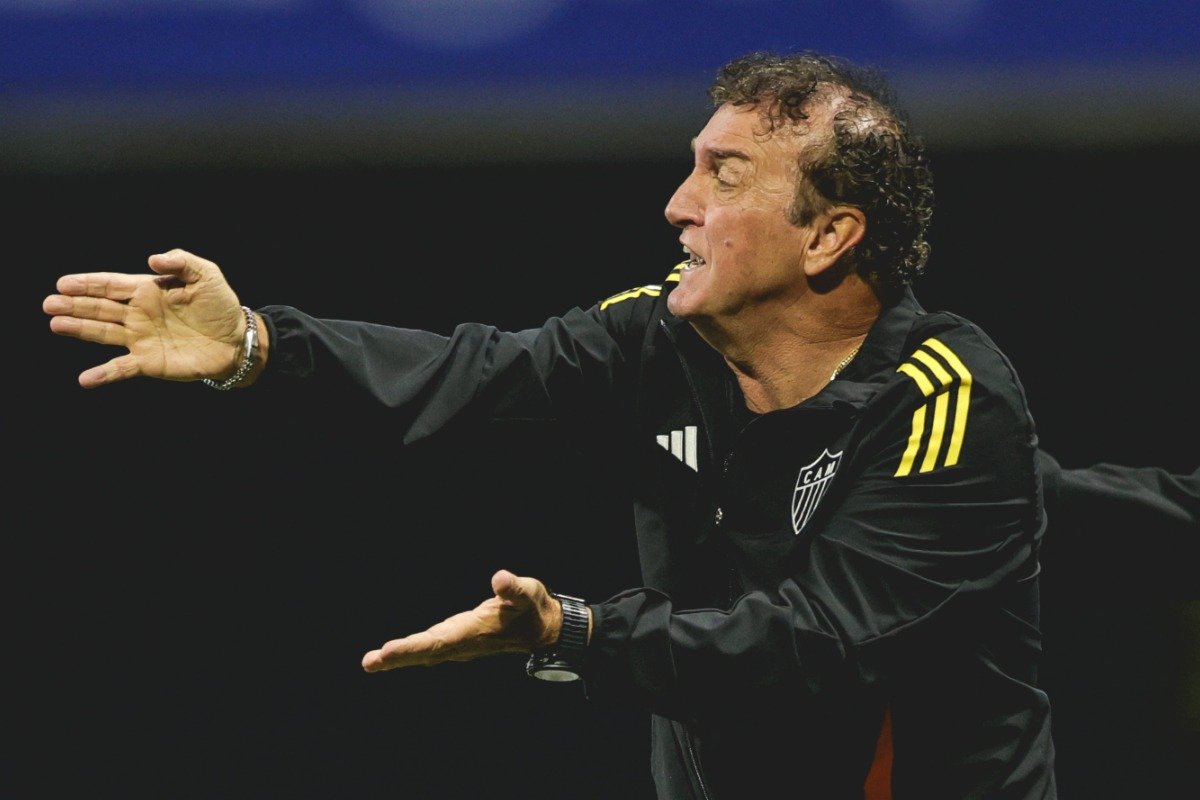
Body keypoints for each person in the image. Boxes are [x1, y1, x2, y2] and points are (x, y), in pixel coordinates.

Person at [43, 51, 1060, 798]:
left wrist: (582, 629)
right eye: (691, 166)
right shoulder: (664, 338)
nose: (677, 203)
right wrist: (263, 342)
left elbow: (813, 646)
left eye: (726, 175)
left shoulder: (944, 399)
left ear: (831, 235)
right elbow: (477, 371)